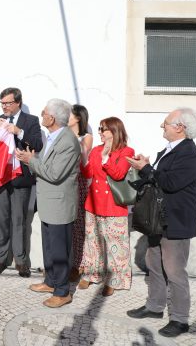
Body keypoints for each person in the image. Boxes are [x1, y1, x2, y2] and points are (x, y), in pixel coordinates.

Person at [126, 108, 196, 338]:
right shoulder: (169, 150)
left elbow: (171, 182)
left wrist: (147, 169)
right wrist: (147, 167)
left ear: (180, 127)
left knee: (174, 270)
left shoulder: (189, 153)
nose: (162, 126)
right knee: (155, 263)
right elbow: (158, 179)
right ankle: (155, 306)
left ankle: (180, 319)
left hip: (176, 220)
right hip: (158, 219)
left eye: (166, 123)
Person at [16, 98, 80, 308]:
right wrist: (33, 159)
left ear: (51, 117)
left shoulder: (68, 141)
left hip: (60, 204)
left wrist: (30, 161)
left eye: (44, 112)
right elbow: (45, 165)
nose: (41, 114)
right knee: (49, 246)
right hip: (48, 202)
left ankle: (63, 291)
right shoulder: (53, 137)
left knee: (60, 250)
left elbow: (54, 174)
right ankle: (51, 281)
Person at [0, 87, 43, 278]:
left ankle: (21, 261)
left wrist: (19, 132)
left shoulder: (31, 121)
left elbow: (38, 144)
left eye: (8, 103)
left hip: (21, 178)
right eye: (2, 103)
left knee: (19, 220)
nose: (4, 106)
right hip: (1, 178)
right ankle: (0, 259)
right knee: (1, 220)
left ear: (18, 102)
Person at [77, 117, 134, 296]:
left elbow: (118, 174)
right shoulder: (96, 150)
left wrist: (105, 158)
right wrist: (83, 156)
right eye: (100, 129)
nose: (100, 132)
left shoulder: (127, 151)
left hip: (113, 206)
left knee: (116, 245)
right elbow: (88, 173)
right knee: (92, 242)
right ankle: (91, 274)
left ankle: (116, 280)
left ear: (114, 131)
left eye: (103, 129)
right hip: (93, 203)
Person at [67, 104, 93, 282]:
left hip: (80, 182)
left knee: (80, 225)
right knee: (70, 225)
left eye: (69, 115)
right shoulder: (64, 134)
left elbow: (82, 154)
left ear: (77, 118)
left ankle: (81, 264)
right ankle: (71, 263)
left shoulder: (86, 137)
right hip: (66, 182)